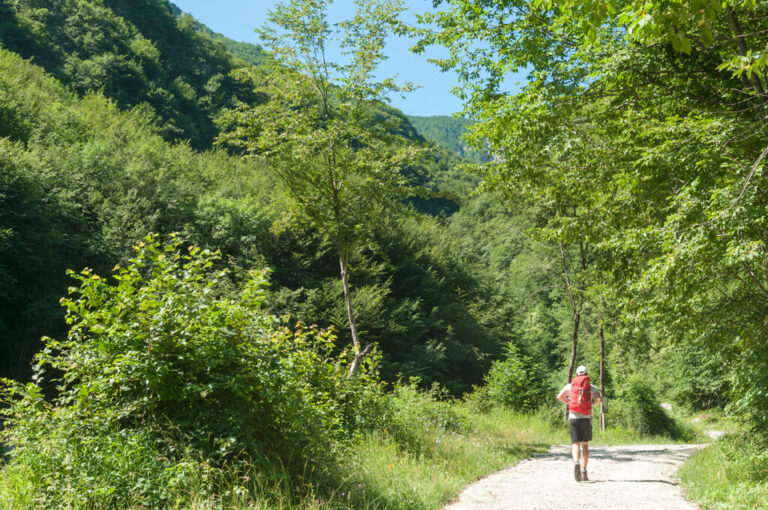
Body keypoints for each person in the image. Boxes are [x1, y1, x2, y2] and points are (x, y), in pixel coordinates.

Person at [557, 365, 602, 481]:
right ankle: (583, 471)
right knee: (585, 444)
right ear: (586, 374)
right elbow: (599, 400)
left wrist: (569, 402)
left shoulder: (570, 385)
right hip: (586, 418)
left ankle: (576, 461)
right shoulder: (591, 387)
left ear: (576, 374)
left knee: (575, 444)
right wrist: (591, 404)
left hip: (574, 417)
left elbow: (559, 396)